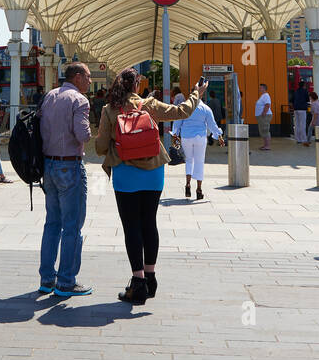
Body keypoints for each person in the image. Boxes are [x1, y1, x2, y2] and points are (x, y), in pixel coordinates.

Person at [94, 68, 203, 304]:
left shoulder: (109, 110)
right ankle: (151, 277)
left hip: (125, 172)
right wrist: (197, 93)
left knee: (131, 226)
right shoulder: (149, 105)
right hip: (154, 171)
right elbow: (182, 111)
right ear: (136, 85)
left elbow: (101, 146)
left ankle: (138, 282)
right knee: (149, 223)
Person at [37, 62, 94, 297]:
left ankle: (47, 279)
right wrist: (91, 133)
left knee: (52, 224)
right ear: (78, 77)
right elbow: (82, 134)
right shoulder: (79, 100)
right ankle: (66, 282)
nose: (90, 81)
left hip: (48, 165)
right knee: (72, 226)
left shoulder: (49, 96)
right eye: (88, 76)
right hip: (69, 165)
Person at [172, 91, 217, 200]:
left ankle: (188, 183)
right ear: (201, 95)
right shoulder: (205, 108)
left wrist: (175, 134)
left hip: (186, 136)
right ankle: (199, 189)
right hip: (200, 137)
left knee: (189, 160)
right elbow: (212, 124)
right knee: (199, 161)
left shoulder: (184, 107)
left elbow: (177, 123)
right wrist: (218, 135)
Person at [291, 81, 310, 146]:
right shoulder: (305, 91)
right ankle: (303, 139)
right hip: (302, 109)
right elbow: (307, 99)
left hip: (296, 109)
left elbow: (292, 100)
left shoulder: (296, 91)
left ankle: (297, 139)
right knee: (302, 124)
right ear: (304, 85)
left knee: (297, 124)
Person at [255, 83, 273, 151]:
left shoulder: (266, 95)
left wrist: (264, 112)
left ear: (264, 88)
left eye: (260, 88)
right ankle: (265, 145)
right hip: (262, 116)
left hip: (264, 116)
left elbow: (267, 104)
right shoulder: (263, 96)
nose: (259, 89)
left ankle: (267, 146)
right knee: (263, 130)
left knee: (265, 130)